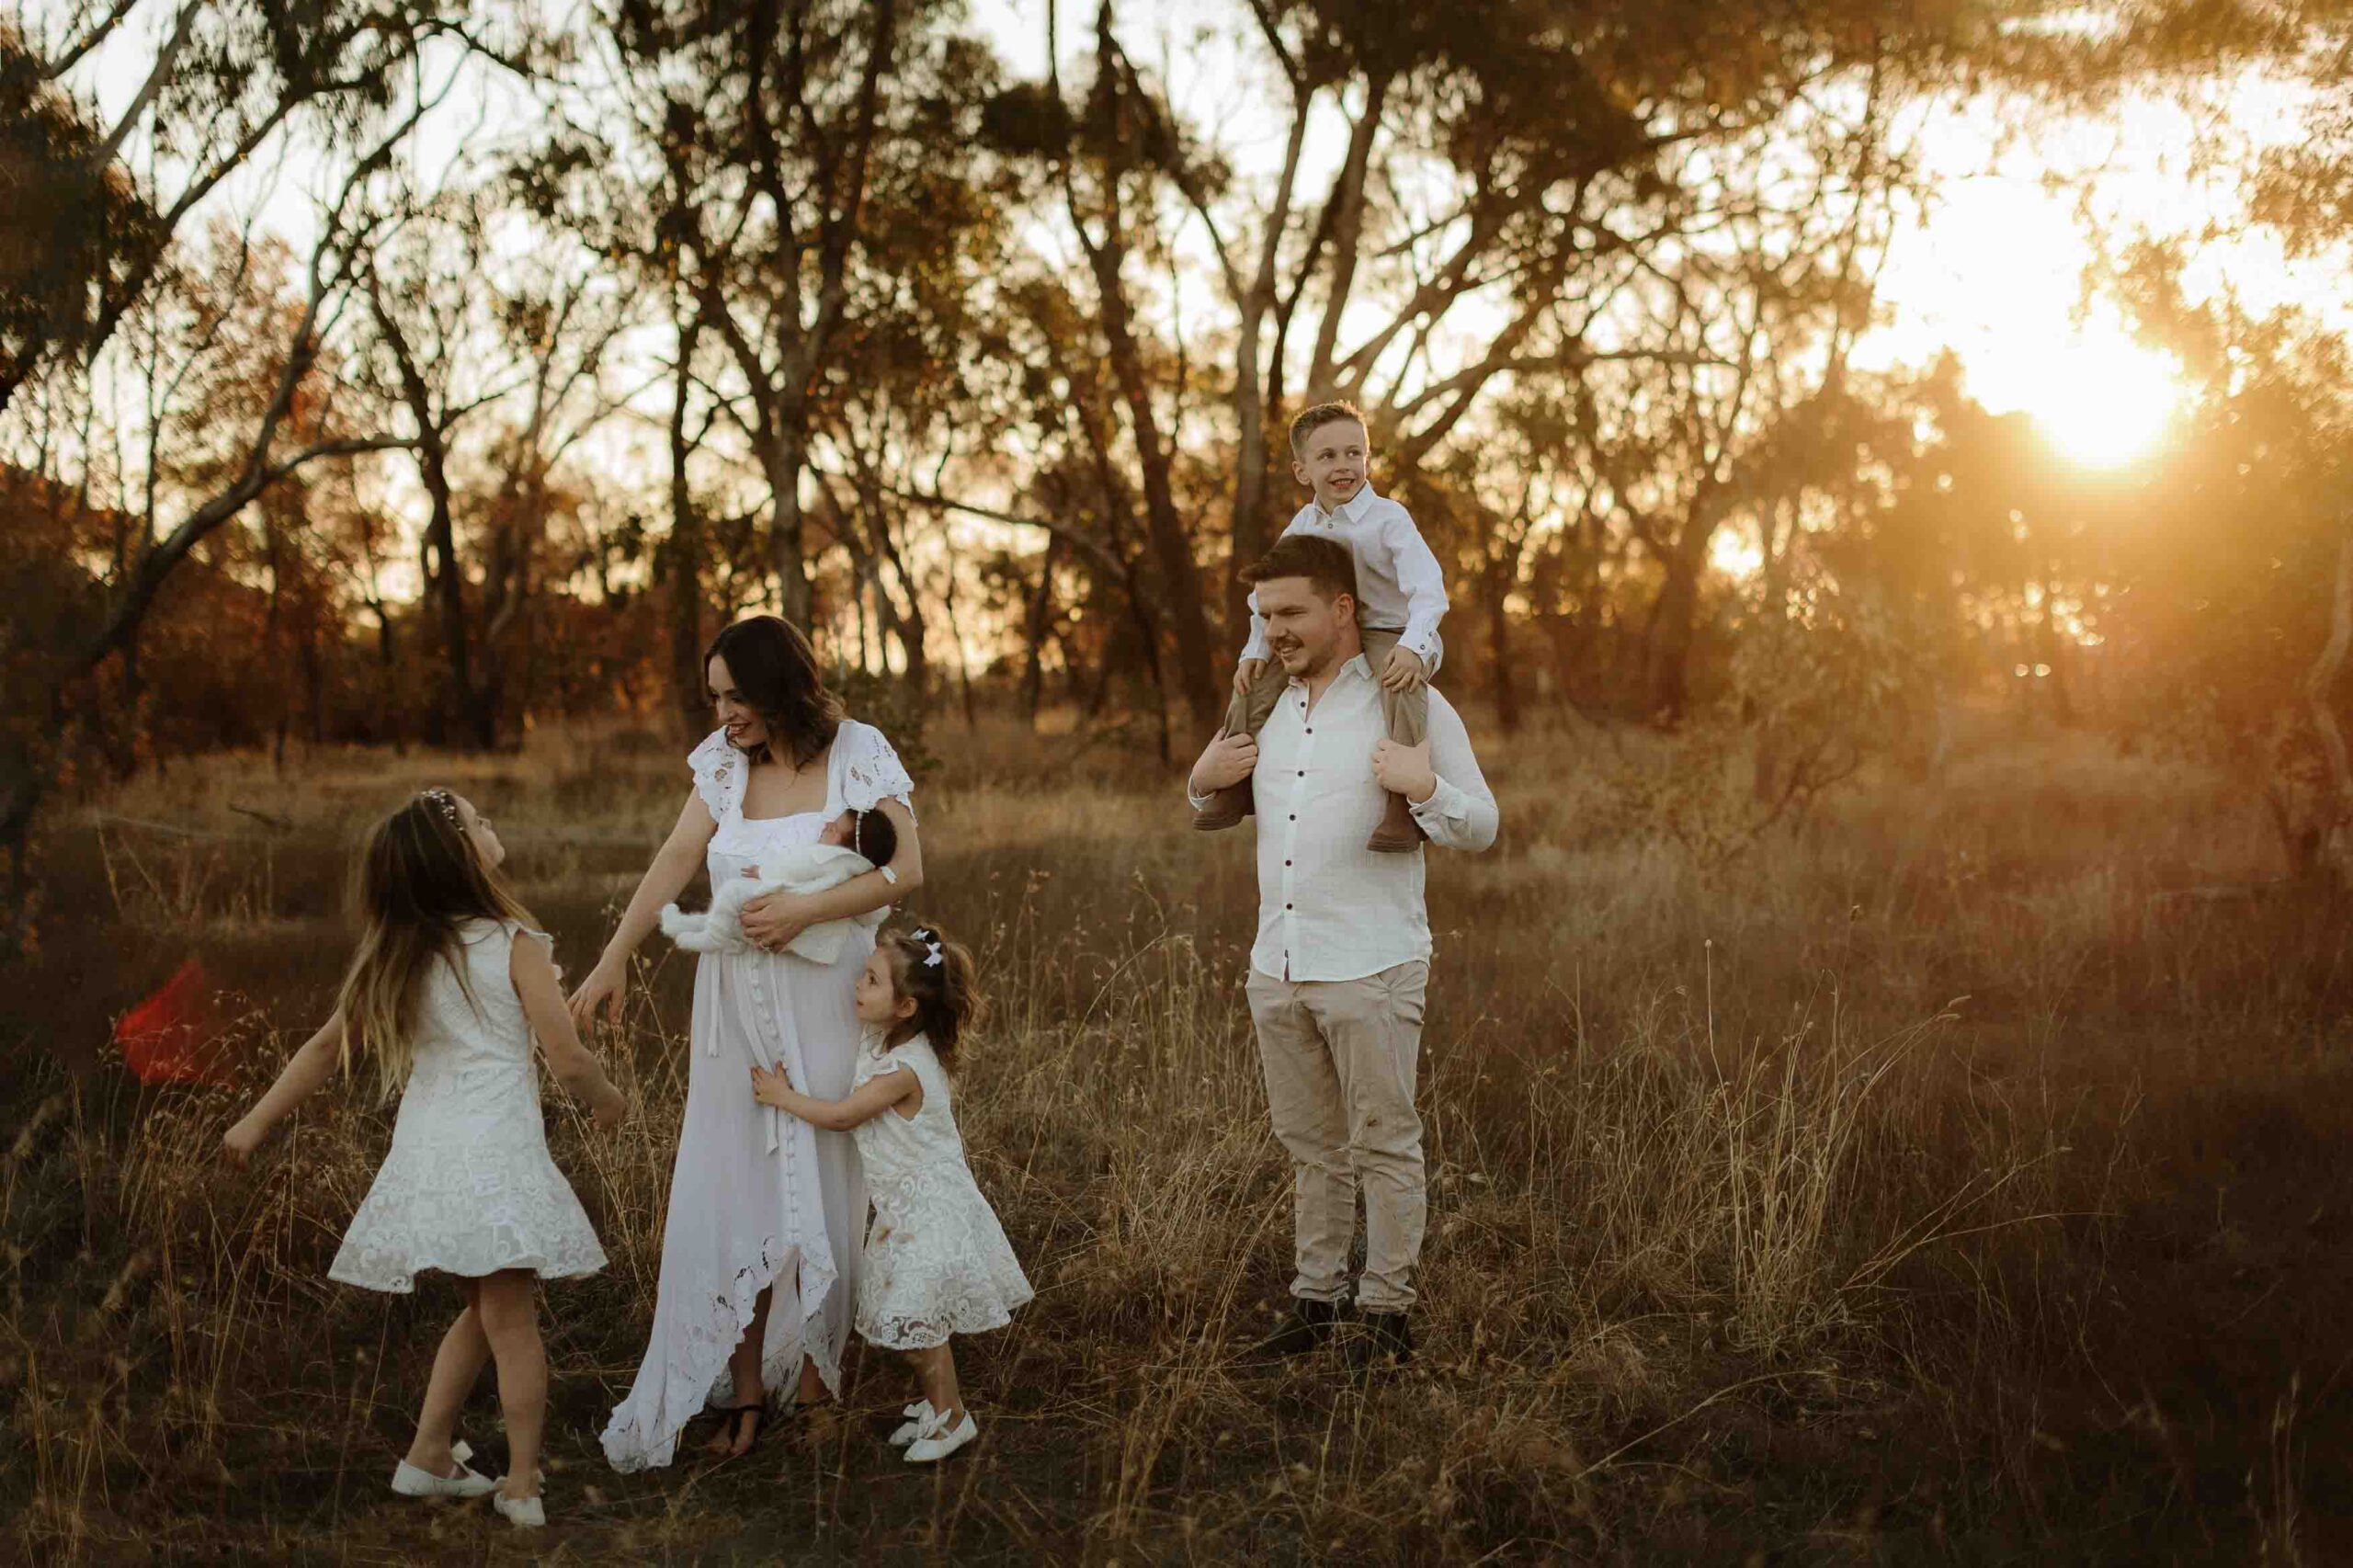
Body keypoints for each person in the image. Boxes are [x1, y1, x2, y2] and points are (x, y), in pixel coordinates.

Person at [222, 788, 627, 1529]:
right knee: (511, 1318)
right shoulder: (513, 942)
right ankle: (523, 1483)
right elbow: (566, 1056)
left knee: (485, 1304)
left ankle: (429, 1454)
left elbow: (323, 1051)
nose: (491, 824)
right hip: (495, 1153)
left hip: (433, 1154)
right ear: (460, 854)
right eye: (478, 821)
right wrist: (607, 1100)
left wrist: (255, 1121)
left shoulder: (408, 952)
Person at [572, 615, 922, 1469]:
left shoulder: (857, 751)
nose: (725, 713)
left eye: (738, 696)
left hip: (827, 997)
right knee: (734, 1183)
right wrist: (616, 955)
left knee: (823, 1180)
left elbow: (905, 869)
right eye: (716, 698)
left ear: (783, 687)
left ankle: (815, 1386)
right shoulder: (722, 763)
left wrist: (806, 909)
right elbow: (676, 854)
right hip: (733, 1010)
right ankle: (748, 1391)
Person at [1186, 532, 1497, 1369]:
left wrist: (1423, 786)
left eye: (1290, 613)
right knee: (1310, 1149)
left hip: (1371, 967)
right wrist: (1199, 774)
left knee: (1384, 1144)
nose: (1272, 631)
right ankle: (1316, 1301)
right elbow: (1210, 799)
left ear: (1343, 610)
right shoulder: (1262, 704)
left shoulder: (1412, 705)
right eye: (1263, 615)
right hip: (1278, 967)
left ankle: (1386, 1314)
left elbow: (1483, 823)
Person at [751, 920, 1030, 1464]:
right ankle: (938, 1405)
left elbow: (839, 1117)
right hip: (907, 1207)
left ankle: (952, 1419)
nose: (858, 985)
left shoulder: (904, 1068)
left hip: (928, 1209)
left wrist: (781, 1096)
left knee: (919, 1324)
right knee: (920, 1322)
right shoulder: (890, 1041)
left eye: (872, 981)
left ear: (905, 1007)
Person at [1194, 401, 1450, 853]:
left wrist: (1414, 646)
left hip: (1398, 630)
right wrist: (1253, 652)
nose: (1343, 466)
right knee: (1253, 684)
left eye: (1354, 453)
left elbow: (1429, 589)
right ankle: (1235, 782)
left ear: (1367, 459)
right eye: (1327, 456)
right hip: (1329, 633)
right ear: (1302, 471)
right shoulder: (1303, 526)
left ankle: (1401, 807)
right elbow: (1263, 596)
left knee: (1399, 682)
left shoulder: (1389, 518)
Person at [659, 807, 899, 961]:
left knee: (733, 893)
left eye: (833, 828)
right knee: (736, 922)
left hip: (780, 910)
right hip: (804, 936)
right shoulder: (860, 876)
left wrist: (763, 871)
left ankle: (712, 936)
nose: (825, 826)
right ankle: (692, 926)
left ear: (851, 847)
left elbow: (793, 868)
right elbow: (873, 914)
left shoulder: (828, 857)